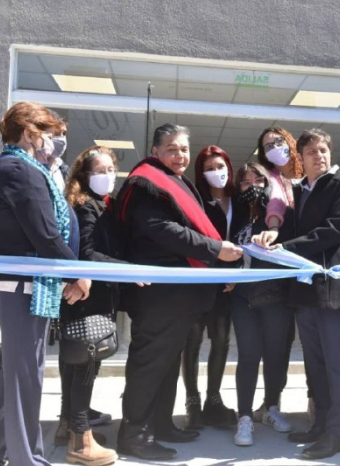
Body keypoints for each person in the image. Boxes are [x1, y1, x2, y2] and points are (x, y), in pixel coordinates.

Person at [0, 101, 91, 466]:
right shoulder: (18, 167)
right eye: (49, 132)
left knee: (16, 374)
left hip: (26, 282)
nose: (54, 140)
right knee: (24, 379)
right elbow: (45, 234)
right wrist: (76, 272)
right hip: (21, 284)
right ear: (30, 132)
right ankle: (27, 460)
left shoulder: (28, 168)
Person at [115, 123, 243, 461]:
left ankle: (161, 424)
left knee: (169, 363)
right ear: (155, 151)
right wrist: (215, 249)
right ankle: (135, 435)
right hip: (160, 294)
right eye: (171, 148)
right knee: (149, 364)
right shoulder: (147, 182)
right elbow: (160, 228)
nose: (179, 155)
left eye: (184, 148)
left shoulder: (177, 182)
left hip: (180, 295)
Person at [257, 128, 340, 460]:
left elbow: (335, 230)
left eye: (323, 150)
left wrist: (285, 247)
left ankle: (336, 435)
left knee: (336, 364)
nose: (320, 155)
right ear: (300, 158)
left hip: (333, 289)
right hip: (304, 290)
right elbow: (289, 228)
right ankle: (319, 427)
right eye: (312, 152)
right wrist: (271, 237)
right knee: (315, 365)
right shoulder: (300, 191)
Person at [58, 146, 125, 465]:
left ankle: (67, 423)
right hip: (87, 298)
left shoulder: (99, 204)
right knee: (85, 365)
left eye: (111, 169)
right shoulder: (87, 206)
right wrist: (127, 268)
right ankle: (81, 441)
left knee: (76, 363)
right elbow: (87, 254)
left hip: (88, 295)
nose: (107, 176)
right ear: (85, 176)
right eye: (100, 171)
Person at [229, 163, 295, 447]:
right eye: (245, 182)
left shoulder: (280, 215)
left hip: (276, 297)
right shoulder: (234, 216)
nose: (252, 186)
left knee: (276, 355)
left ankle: (270, 408)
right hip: (242, 297)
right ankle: (244, 416)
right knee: (248, 356)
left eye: (258, 180)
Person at [181, 145, 238, 430]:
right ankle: (192, 400)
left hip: (227, 286)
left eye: (221, 165)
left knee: (222, 340)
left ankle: (213, 399)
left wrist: (233, 273)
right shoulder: (197, 201)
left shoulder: (238, 199)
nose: (218, 172)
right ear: (201, 174)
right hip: (198, 282)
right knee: (192, 342)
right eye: (210, 168)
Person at [254, 126, 304, 421]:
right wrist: (273, 226)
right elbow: (274, 202)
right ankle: (271, 402)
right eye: (267, 145)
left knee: (315, 342)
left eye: (278, 142)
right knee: (278, 343)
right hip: (279, 271)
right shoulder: (269, 178)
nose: (274, 147)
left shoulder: (310, 174)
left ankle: (315, 400)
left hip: (313, 268)